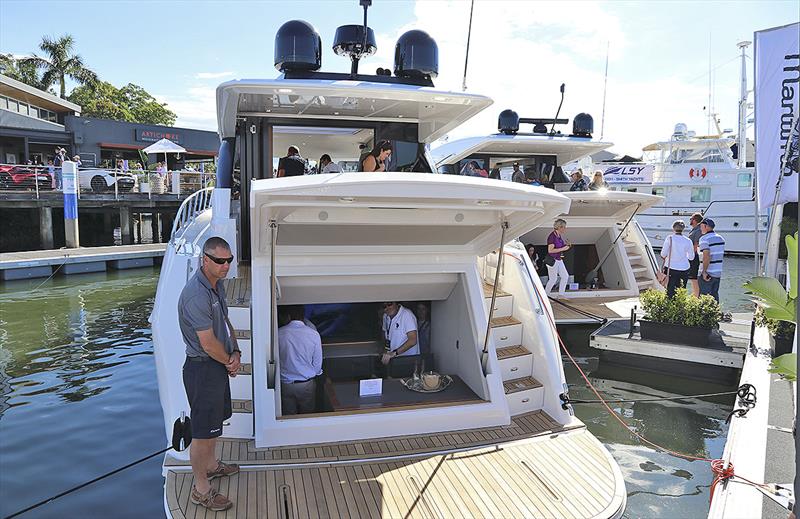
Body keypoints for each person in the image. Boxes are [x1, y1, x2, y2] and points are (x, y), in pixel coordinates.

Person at [178, 236, 240, 512]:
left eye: (229, 260)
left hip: (216, 366)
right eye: (219, 261)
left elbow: (224, 325)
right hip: (202, 369)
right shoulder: (196, 294)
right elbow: (208, 343)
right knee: (202, 432)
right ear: (205, 260)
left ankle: (212, 466)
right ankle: (201, 490)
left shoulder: (216, 286)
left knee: (215, 423)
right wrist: (229, 361)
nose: (226, 266)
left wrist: (235, 351)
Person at [278, 305, 322, 415]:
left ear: (288, 316)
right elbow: (317, 364)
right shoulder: (313, 334)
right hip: (306, 384)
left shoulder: (279, 333)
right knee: (307, 416)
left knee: (288, 416)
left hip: (285, 384)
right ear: (303, 316)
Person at [380, 302, 419, 376]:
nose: (387, 308)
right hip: (392, 360)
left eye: (389, 304)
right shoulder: (385, 316)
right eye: (384, 306)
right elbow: (384, 334)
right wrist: (385, 350)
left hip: (408, 361)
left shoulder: (407, 314)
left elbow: (413, 340)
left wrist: (394, 353)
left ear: (396, 303)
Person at [660, 220, 695, 297]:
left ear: (673, 228)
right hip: (684, 268)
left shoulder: (669, 238)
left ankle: (669, 307)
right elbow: (691, 257)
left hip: (671, 268)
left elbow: (663, 254)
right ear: (683, 229)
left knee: (670, 290)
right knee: (681, 290)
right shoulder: (688, 241)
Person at [698, 218, 725, 302]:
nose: (700, 228)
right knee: (714, 295)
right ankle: (715, 313)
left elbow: (707, 255)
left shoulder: (704, 239)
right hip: (718, 271)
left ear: (706, 226)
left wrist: (704, 271)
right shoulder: (721, 238)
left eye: (701, 226)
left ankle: (704, 315)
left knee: (704, 297)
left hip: (708, 272)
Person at [545, 219, 572, 297]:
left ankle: (561, 295)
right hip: (552, 260)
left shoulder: (559, 236)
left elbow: (562, 246)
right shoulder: (552, 236)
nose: (565, 229)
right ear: (559, 227)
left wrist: (568, 245)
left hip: (558, 259)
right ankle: (545, 296)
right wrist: (563, 249)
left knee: (565, 276)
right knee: (553, 279)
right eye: (564, 227)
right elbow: (550, 250)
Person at [687, 213, 703, 297]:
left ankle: (696, 296)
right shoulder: (694, 229)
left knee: (694, 278)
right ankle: (695, 295)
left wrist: (689, 256)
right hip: (691, 255)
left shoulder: (698, 230)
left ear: (694, 220)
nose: (690, 220)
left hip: (693, 256)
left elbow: (696, 244)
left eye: (691, 219)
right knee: (692, 278)